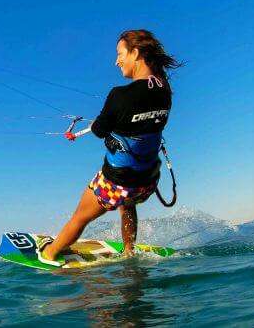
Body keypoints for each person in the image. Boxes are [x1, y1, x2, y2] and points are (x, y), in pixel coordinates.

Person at [38, 29, 182, 266]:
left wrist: (104, 120)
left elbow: (99, 131)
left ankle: (50, 253)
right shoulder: (164, 90)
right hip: (147, 181)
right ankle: (128, 250)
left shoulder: (119, 95)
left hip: (117, 182)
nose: (117, 61)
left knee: (80, 217)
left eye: (120, 53)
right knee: (127, 205)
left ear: (135, 53)